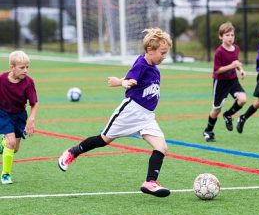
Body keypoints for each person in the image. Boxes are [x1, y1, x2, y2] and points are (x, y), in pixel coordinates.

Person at [58, 28, 173, 197]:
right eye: (162, 53)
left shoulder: (155, 69)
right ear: (150, 50)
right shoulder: (141, 64)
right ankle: (71, 152)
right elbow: (131, 80)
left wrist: (122, 81)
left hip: (147, 116)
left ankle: (150, 182)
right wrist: (121, 82)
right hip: (130, 111)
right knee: (103, 139)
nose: (164, 57)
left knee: (161, 147)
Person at [203, 22, 246, 142]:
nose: (230, 37)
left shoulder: (236, 48)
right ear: (221, 37)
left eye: (232, 35)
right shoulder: (219, 52)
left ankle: (228, 115)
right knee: (216, 109)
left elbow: (236, 63)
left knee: (243, 99)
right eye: (227, 35)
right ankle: (208, 131)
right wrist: (232, 65)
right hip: (221, 82)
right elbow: (218, 70)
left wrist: (240, 70)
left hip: (233, 80)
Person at [0, 50, 39, 184]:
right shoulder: (1, 79)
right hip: (3, 114)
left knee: (14, 148)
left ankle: (2, 143)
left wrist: (31, 119)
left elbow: (34, 103)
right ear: (12, 67)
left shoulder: (28, 82)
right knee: (11, 143)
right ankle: (5, 174)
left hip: (19, 116)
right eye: (22, 67)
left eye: (27, 67)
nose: (25, 70)